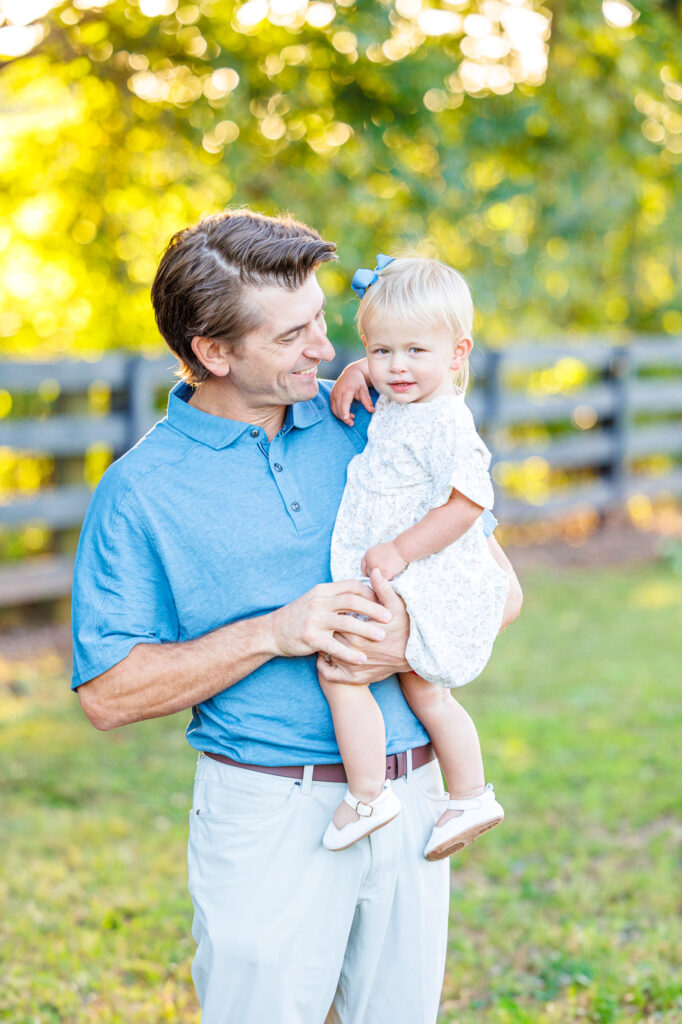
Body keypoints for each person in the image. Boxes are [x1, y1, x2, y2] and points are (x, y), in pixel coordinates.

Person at [71, 210, 522, 1024]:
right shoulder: (140, 493)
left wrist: (408, 640)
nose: (324, 349)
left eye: (321, 320)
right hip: (268, 809)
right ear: (214, 352)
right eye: (293, 336)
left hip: (415, 793)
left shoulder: (378, 420)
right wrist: (273, 632)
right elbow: (109, 694)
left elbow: (505, 591)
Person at [317, 255, 510, 861]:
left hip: (418, 571)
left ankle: (371, 795)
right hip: (399, 572)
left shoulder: (446, 421)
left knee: (341, 668)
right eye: (380, 351)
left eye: (415, 352)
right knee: (424, 693)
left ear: (458, 354)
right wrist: (356, 372)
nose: (396, 367)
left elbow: (470, 502)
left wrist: (399, 551)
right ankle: (469, 794)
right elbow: (394, 370)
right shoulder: (409, 397)